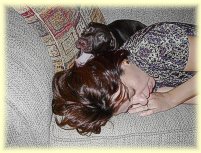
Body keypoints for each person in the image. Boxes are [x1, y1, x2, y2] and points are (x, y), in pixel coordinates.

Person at [52, 22, 197, 135]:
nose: (143, 99)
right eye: (130, 105)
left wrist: (171, 98)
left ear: (122, 63)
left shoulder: (152, 46)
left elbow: (175, 96)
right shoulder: (141, 81)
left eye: (132, 92)